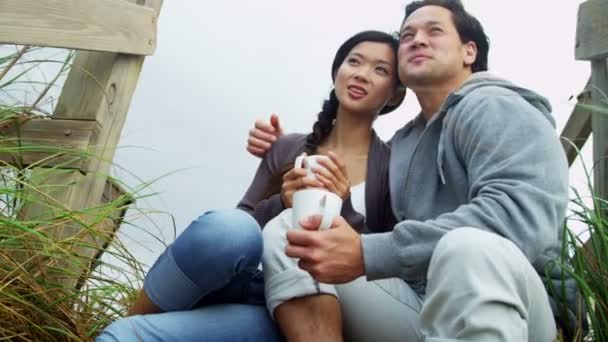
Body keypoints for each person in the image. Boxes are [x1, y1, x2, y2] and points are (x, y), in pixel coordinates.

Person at [247, 1, 583, 341]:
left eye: (433, 31)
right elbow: (375, 230)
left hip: (521, 312)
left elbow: (520, 222)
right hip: (418, 305)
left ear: (469, 51)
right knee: (292, 233)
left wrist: (368, 253)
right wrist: (286, 156)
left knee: (468, 248)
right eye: (407, 35)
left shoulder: (499, 105)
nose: (416, 40)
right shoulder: (403, 145)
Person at [96, 30, 405, 341]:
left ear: (394, 93)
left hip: (310, 310)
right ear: (337, 70)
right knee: (226, 230)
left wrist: (343, 205)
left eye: (380, 70)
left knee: (124, 335)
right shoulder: (287, 147)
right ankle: (135, 316)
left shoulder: (394, 168)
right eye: (354, 62)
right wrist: (283, 202)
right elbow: (240, 230)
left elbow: (383, 263)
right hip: (250, 283)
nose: (362, 75)